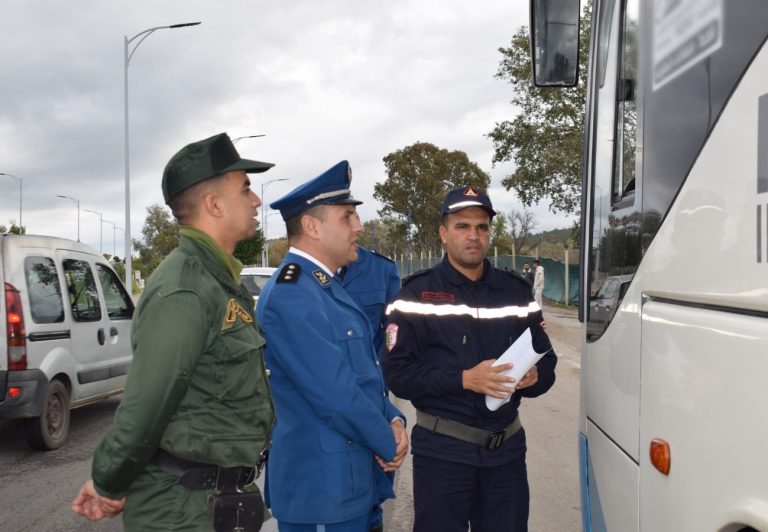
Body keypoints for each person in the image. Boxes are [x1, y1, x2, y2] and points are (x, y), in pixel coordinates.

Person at [72, 132, 276, 531]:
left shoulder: (219, 280)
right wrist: (108, 480)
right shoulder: (186, 287)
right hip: (183, 510)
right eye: (246, 189)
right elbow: (147, 401)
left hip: (217, 502)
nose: (256, 201)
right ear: (214, 204)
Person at [382, 186, 558, 532]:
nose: (473, 235)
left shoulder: (515, 292)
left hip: (506, 454)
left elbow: (547, 360)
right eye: (462, 226)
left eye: (481, 227)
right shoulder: (415, 295)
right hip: (443, 454)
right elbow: (398, 375)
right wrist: (464, 379)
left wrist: (535, 376)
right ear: (443, 234)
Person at [256, 160, 408, 532]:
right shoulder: (292, 294)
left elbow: (361, 376)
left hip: (345, 483)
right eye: (347, 217)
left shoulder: (321, 285)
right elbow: (336, 394)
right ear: (312, 226)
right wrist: (388, 441)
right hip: (321, 491)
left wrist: (393, 417)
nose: (359, 227)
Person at [339, 245, 400, 531]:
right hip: (327, 399)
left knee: (373, 489)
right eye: (347, 221)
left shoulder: (381, 269)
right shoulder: (306, 273)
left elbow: (395, 330)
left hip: (372, 397)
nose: (356, 227)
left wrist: (380, 373)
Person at [340, 246, 401, 357]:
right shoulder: (307, 269)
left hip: (372, 362)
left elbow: (394, 326)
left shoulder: (381, 268)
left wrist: (382, 360)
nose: (358, 229)